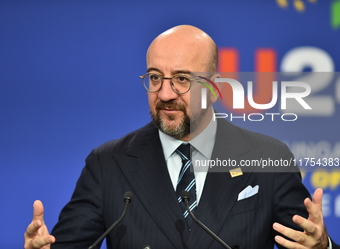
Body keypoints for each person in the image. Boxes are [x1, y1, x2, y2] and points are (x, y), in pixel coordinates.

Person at [24, 25, 339, 249]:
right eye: (155, 77)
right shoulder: (108, 164)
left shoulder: (269, 157)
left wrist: (321, 245)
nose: (164, 93)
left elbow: (304, 239)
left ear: (214, 88)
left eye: (182, 79)